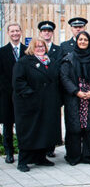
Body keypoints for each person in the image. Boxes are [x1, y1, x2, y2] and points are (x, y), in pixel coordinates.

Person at [12, 38, 62, 172]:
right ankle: (23, 161)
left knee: (44, 132)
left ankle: (41, 157)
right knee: (30, 132)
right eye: (37, 46)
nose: (40, 48)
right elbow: (18, 82)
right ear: (31, 48)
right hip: (30, 105)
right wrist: (31, 95)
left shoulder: (50, 62)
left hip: (48, 104)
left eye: (42, 46)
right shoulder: (24, 62)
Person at [60, 31, 90, 166]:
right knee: (74, 128)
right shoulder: (69, 58)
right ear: (76, 41)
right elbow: (64, 77)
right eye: (80, 39)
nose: (83, 42)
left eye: (85, 40)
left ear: (89, 42)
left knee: (89, 128)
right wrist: (76, 91)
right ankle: (73, 156)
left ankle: (88, 156)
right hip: (75, 97)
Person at [0, 23, 27, 164]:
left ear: (21, 32)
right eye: (12, 31)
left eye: (17, 31)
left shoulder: (27, 50)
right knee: (8, 125)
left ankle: (25, 151)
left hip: (24, 96)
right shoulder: (2, 52)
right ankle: (9, 152)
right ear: (8, 33)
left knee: (24, 125)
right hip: (7, 95)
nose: (15, 33)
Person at [38, 20, 62, 158]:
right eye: (44, 31)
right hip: (39, 92)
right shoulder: (34, 49)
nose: (46, 33)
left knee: (53, 120)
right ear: (40, 33)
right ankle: (41, 146)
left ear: (52, 33)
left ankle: (51, 147)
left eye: (49, 31)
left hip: (54, 91)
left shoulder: (58, 50)